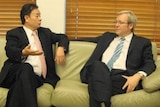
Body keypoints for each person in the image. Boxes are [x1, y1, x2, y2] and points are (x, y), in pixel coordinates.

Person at [80, 10, 156, 107]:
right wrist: (62, 44)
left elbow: (150, 63)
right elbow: (86, 39)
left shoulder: (142, 43)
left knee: (96, 83)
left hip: (122, 77)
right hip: (99, 71)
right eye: (115, 22)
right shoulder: (107, 37)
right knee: (97, 65)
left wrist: (137, 76)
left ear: (130, 26)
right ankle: (106, 103)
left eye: (120, 22)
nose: (116, 25)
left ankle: (101, 99)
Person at [0, 3, 69, 107]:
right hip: (14, 72)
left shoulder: (45, 33)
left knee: (19, 86)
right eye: (37, 16)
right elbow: (10, 50)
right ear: (27, 18)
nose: (40, 19)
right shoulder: (14, 33)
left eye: (40, 16)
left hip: (36, 78)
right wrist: (22, 52)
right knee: (26, 68)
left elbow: (63, 37)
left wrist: (61, 48)